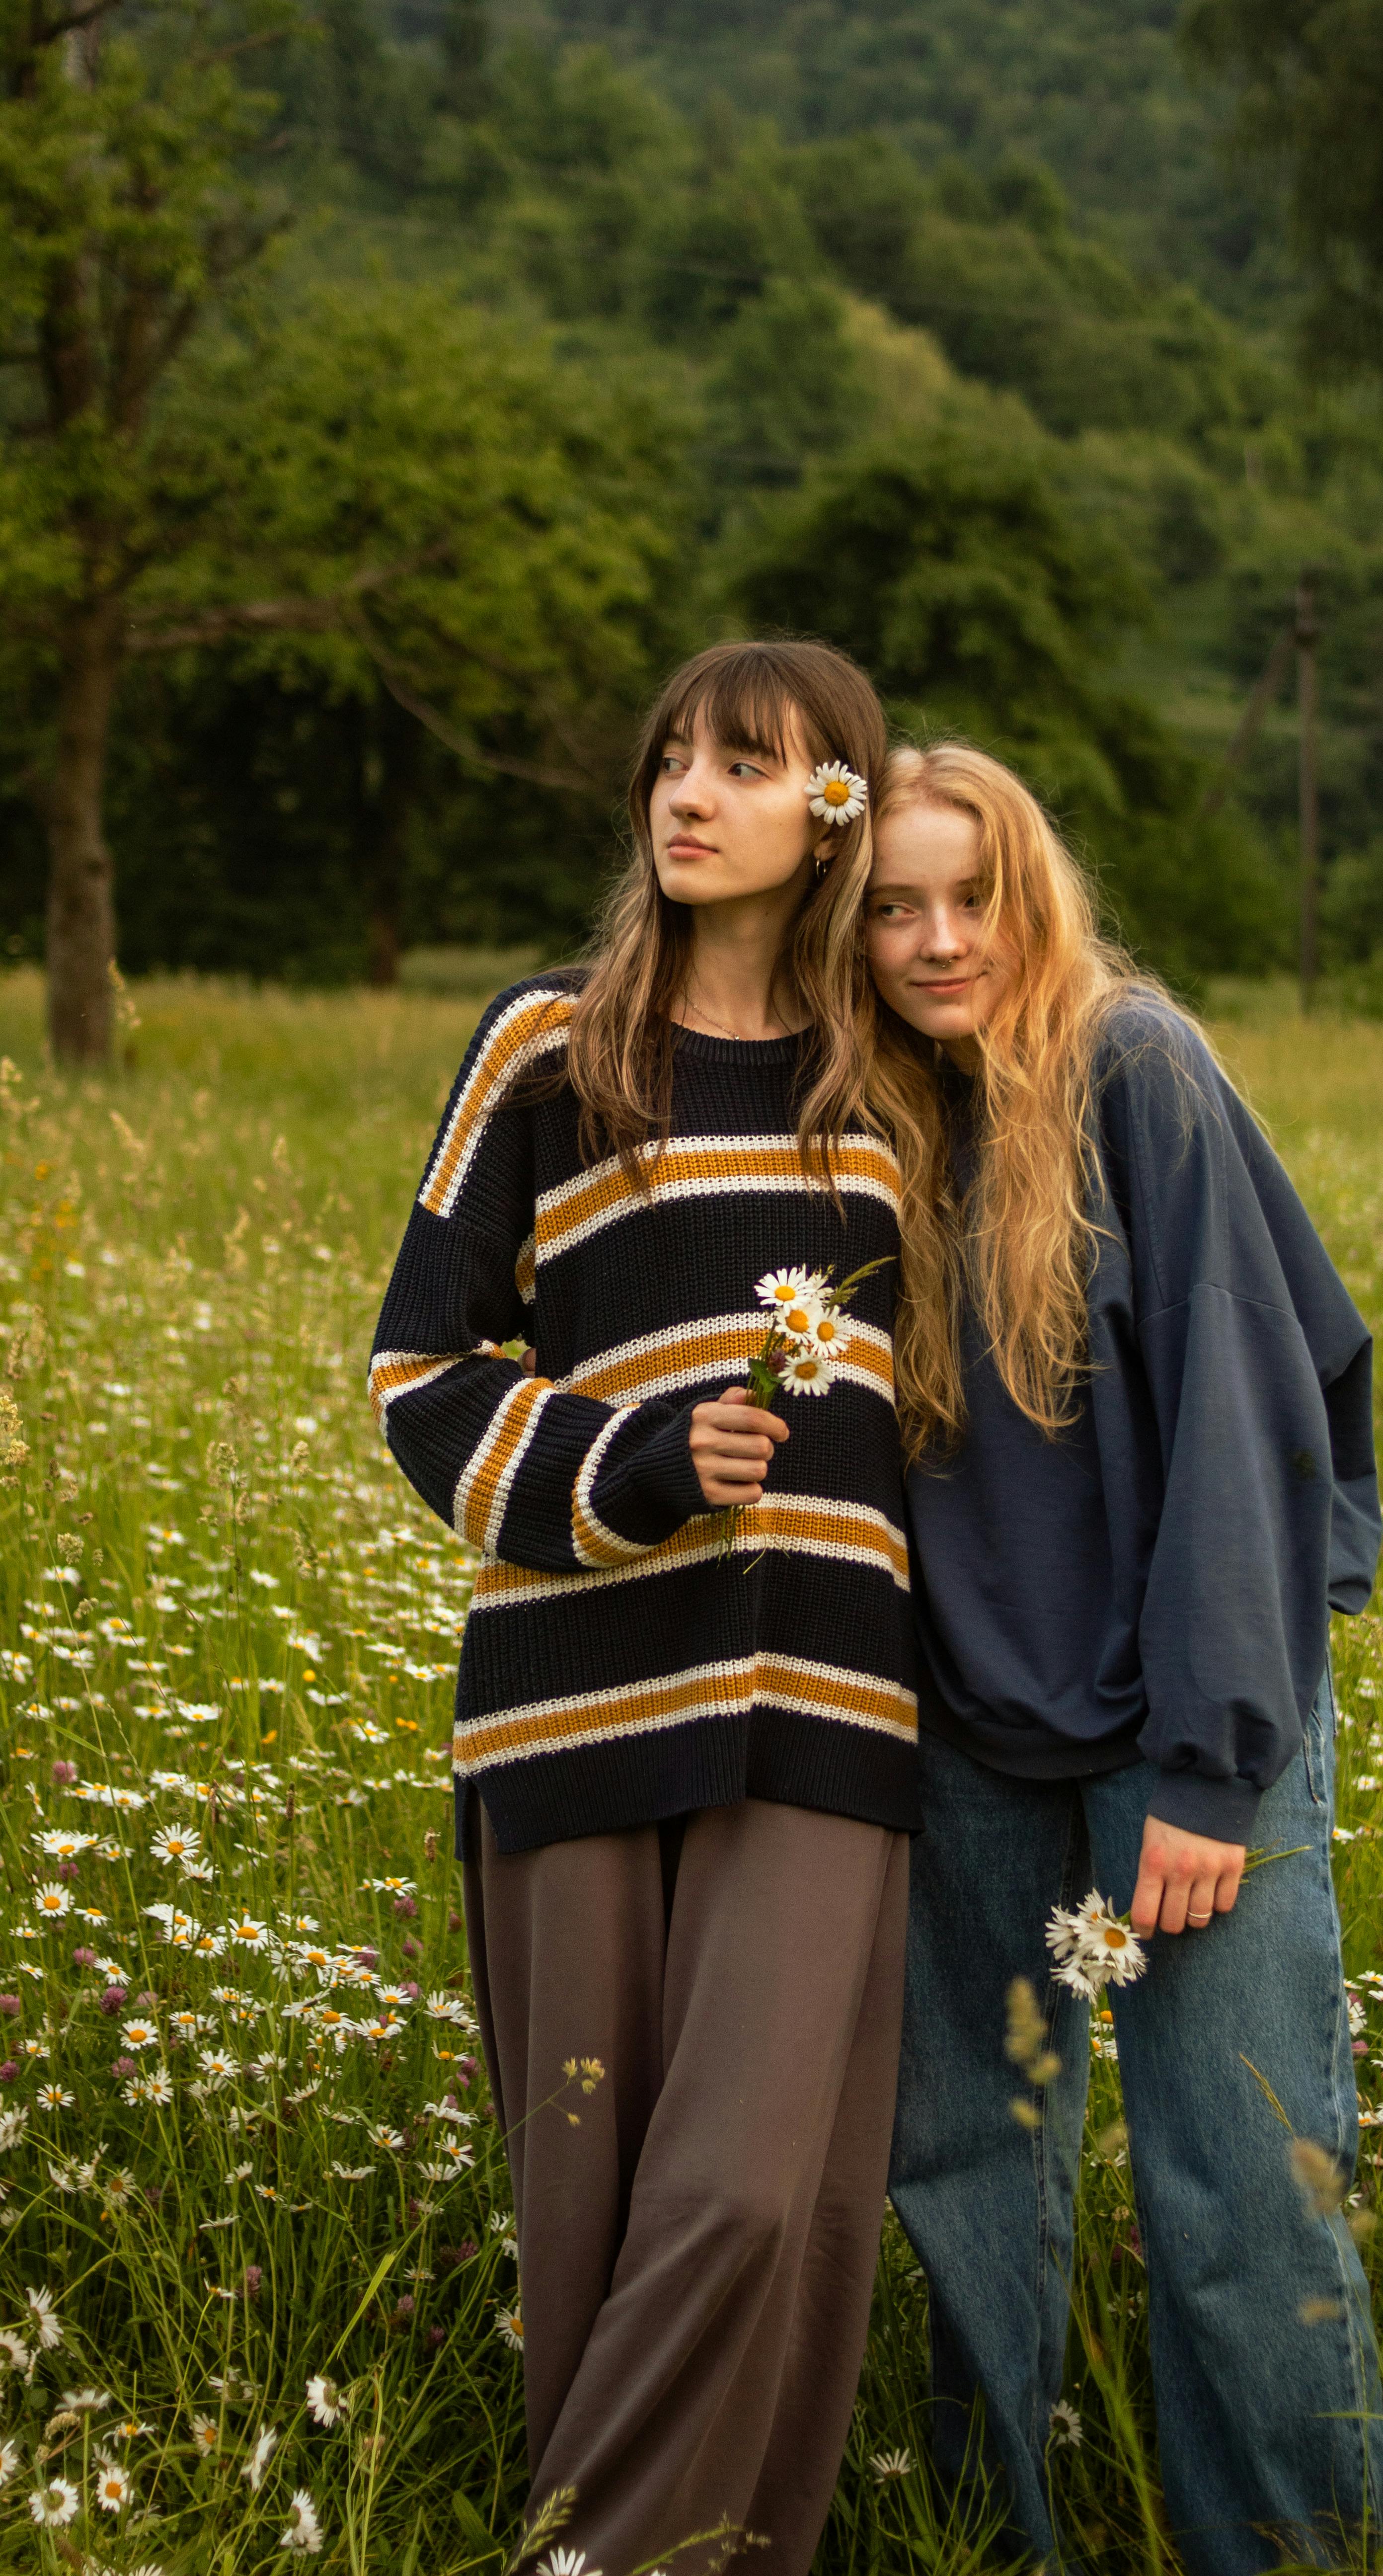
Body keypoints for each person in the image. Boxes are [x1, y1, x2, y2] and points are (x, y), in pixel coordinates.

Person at [369, 641, 921, 2576]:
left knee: (756, 2206)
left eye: (747, 765)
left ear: (835, 807)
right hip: (575, 1698)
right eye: (672, 758)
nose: (687, 792)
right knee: (593, 2221)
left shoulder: (904, 1081)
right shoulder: (545, 1047)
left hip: (835, 1717)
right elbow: (414, 1372)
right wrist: (631, 1467)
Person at [864, 741, 1383, 2576]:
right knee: (965, 2172)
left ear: (1034, 886)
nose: (938, 941)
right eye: (894, 909)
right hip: (967, 1742)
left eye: (972, 894)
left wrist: (1216, 1764)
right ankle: (985, 2540)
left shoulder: (1134, 1073)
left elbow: (1255, 1422)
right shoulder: (883, 1116)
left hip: (1176, 1748)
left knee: (1239, 2187)